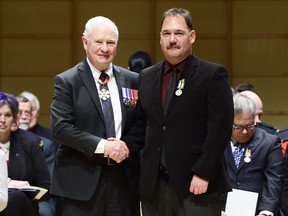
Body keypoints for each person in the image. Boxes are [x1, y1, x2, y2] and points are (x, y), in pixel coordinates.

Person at [123, 7, 234, 216]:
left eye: (179, 33)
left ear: (192, 36)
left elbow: (220, 129)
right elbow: (142, 125)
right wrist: (123, 145)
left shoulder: (212, 75)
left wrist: (204, 172)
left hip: (196, 185)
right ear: (160, 38)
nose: (172, 39)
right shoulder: (146, 77)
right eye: (166, 33)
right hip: (154, 186)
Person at [50, 16, 139, 216]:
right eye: (99, 42)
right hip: (80, 184)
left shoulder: (133, 80)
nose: (104, 49)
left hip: (122, 182)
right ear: (85, 42)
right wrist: (104, 146)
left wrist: (125, 147)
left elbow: (140, 125)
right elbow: (61, 127)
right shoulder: (67, 81)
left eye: (110, 43)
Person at [221, 93, 283, 216]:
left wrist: (266, 211)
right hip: (223, 210)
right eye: (238, 127)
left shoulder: (269, 142)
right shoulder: (217, 141)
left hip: (258, 211)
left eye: (249, 126)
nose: (244, 131)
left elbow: (273, 179)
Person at [0, 92, 51, 216]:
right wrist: (9, 183)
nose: (2, 120)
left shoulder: (30, 144)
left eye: (7, 115)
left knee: (17, 197)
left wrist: (28, 190)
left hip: (24, 205)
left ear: (14, 119)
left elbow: (46, 185)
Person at [16, 95, 57, 216]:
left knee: (45, 212)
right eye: (19, 112)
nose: (24, 116)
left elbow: (48, 183)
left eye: (27, 112)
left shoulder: (45, 144)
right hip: (7, 193)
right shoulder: (5, 141)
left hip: (37, 196)